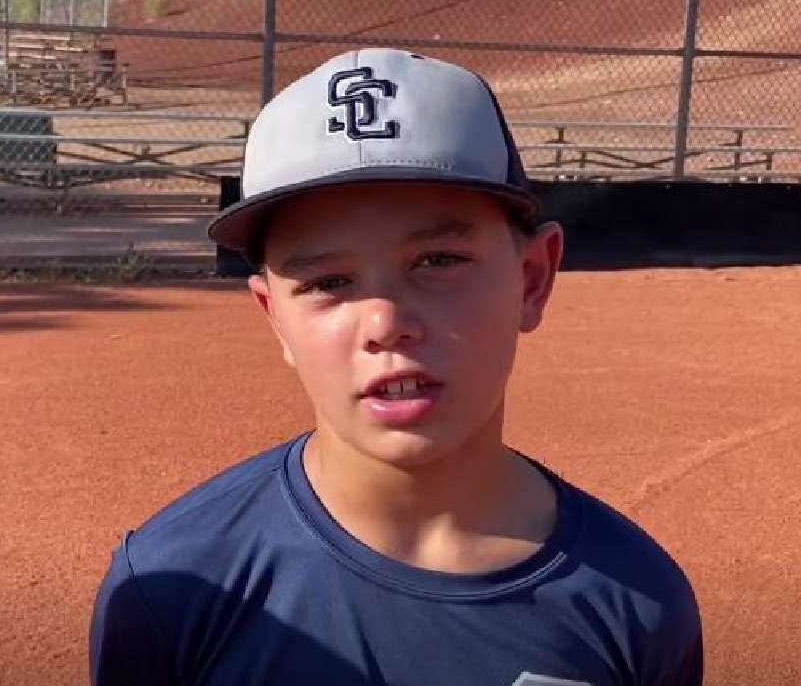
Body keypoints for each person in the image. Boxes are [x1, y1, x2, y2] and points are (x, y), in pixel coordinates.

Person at [89, 48, 703, 686]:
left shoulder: (638, 605)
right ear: (274, 317)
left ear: (531, 278)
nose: (386, 323)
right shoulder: (174, 591)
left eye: (437, 261)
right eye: (328, 281)